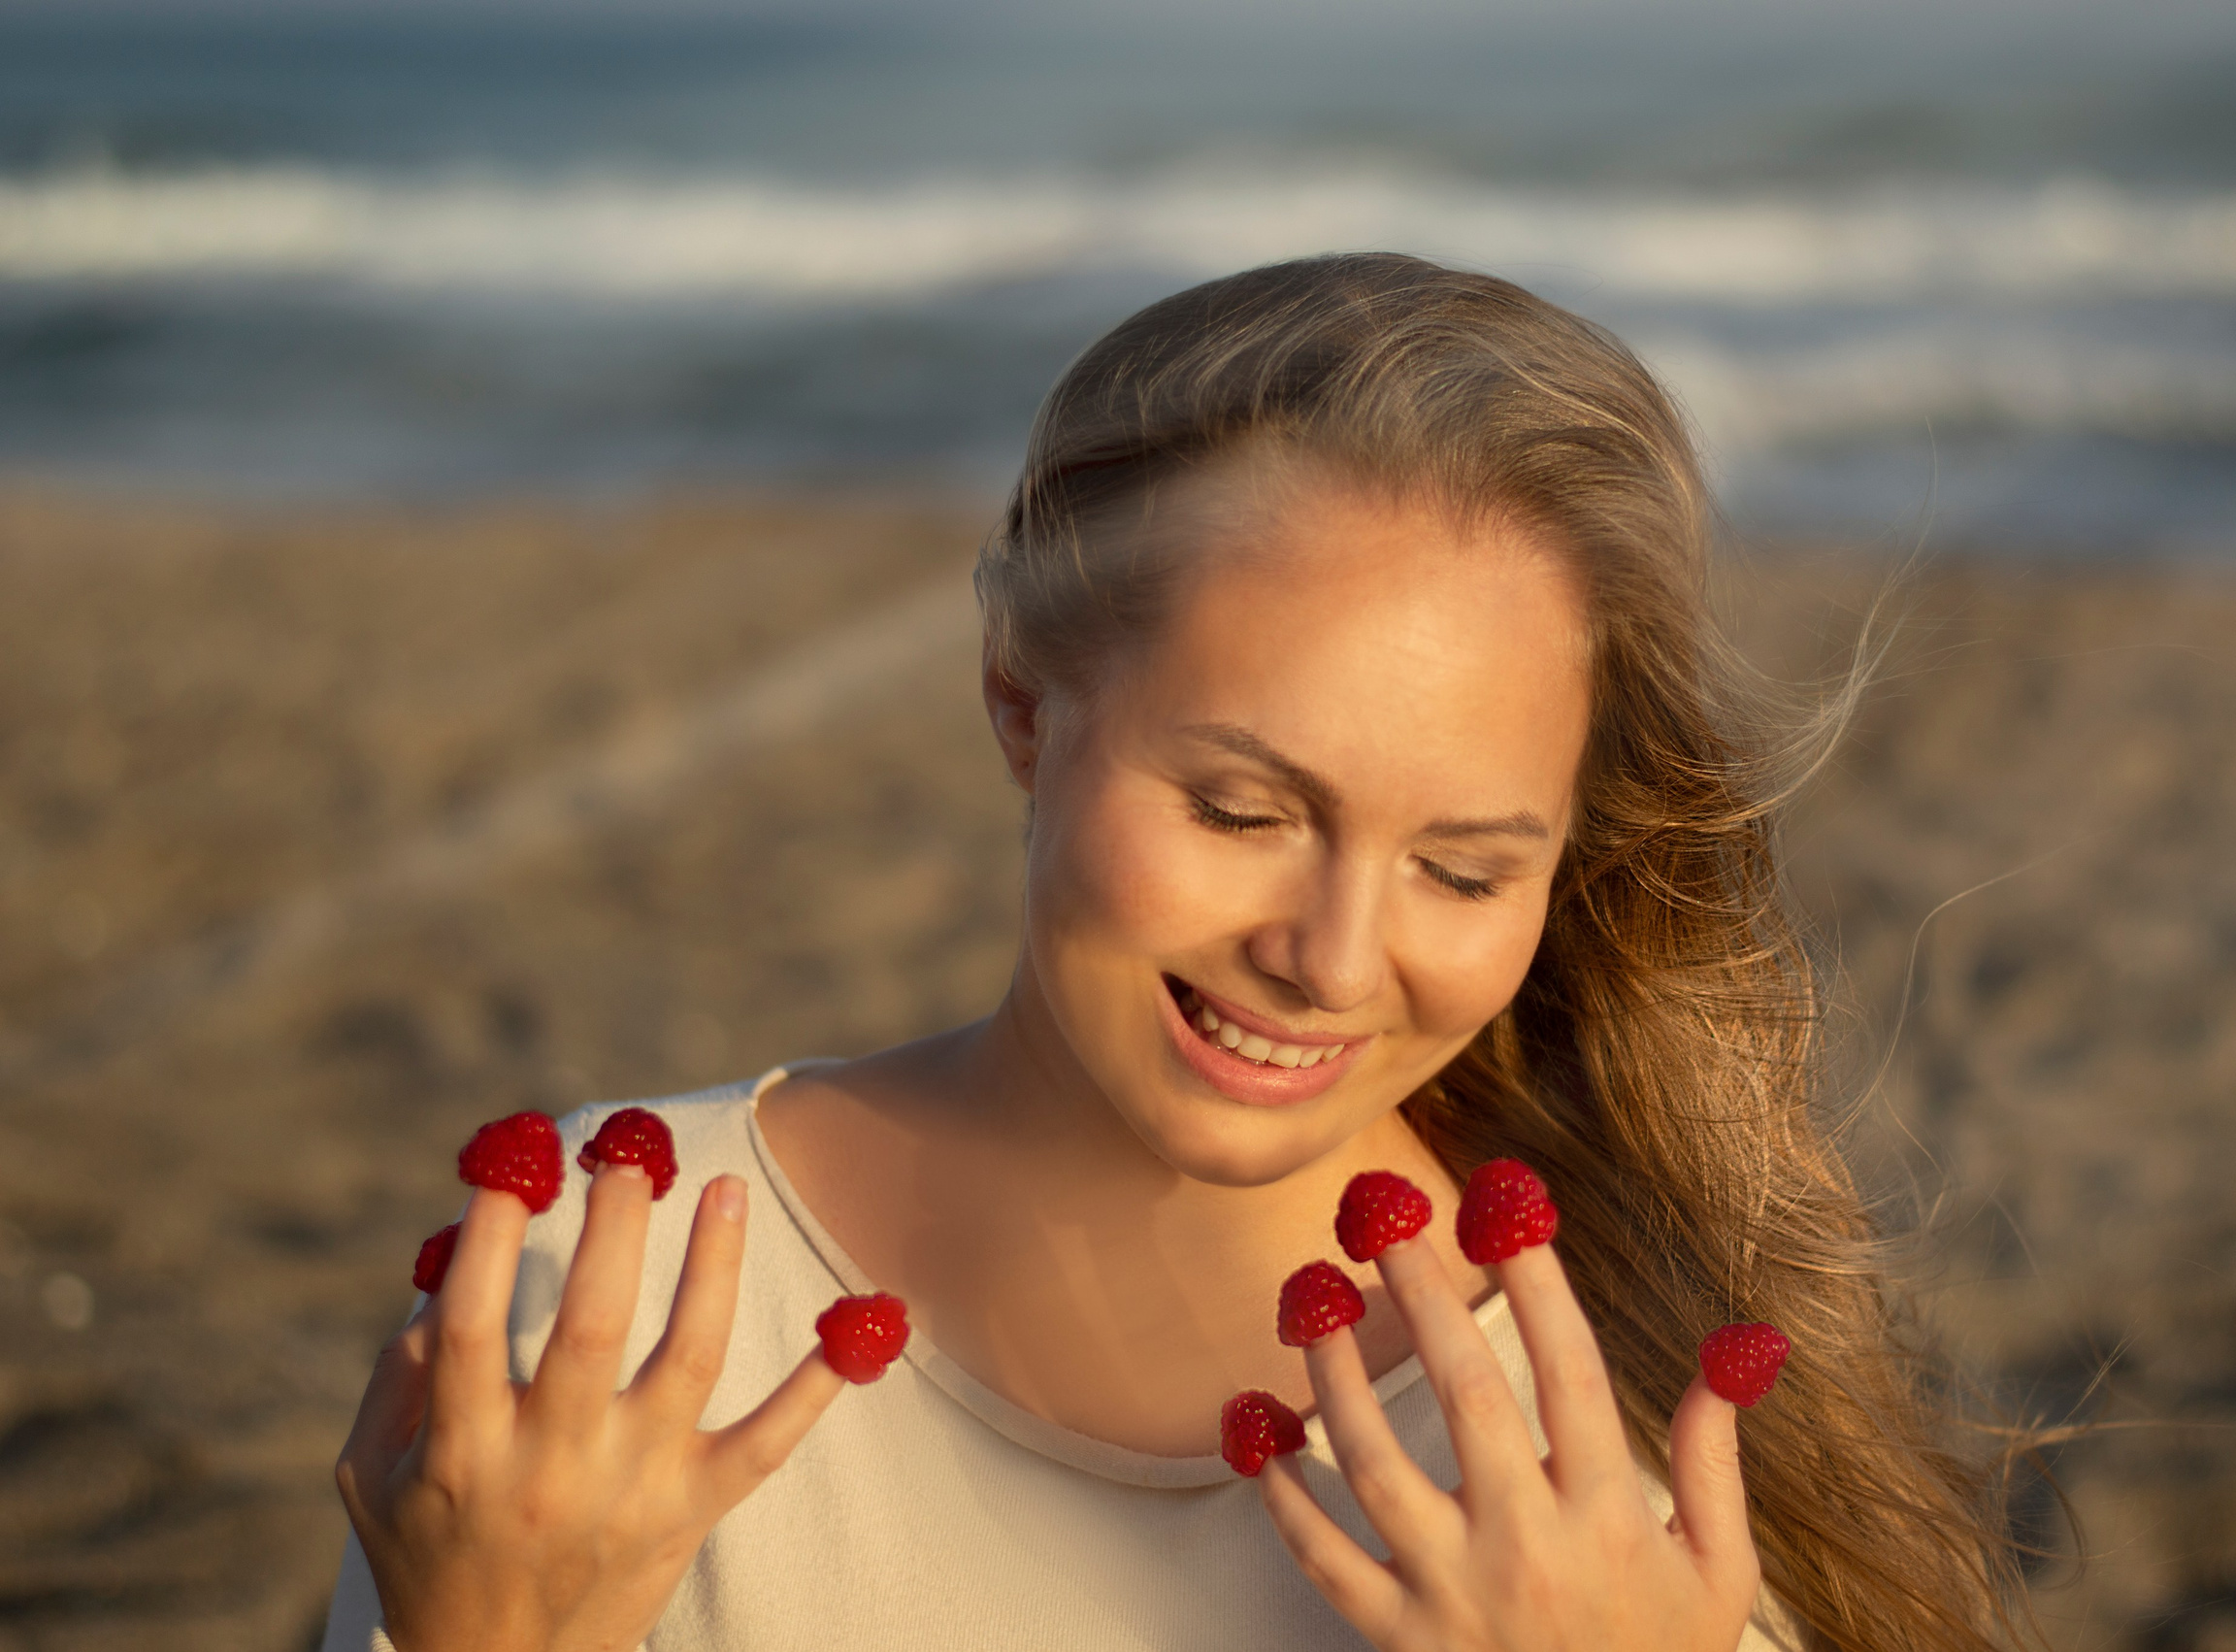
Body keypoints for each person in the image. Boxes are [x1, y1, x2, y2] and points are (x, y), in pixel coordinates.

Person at [321, 253, 2026, 1651]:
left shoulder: (1627, 1472)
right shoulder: (594, 1289)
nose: (1333, 958)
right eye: (1238, 809)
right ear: (1020, 701)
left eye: (1460, 864)